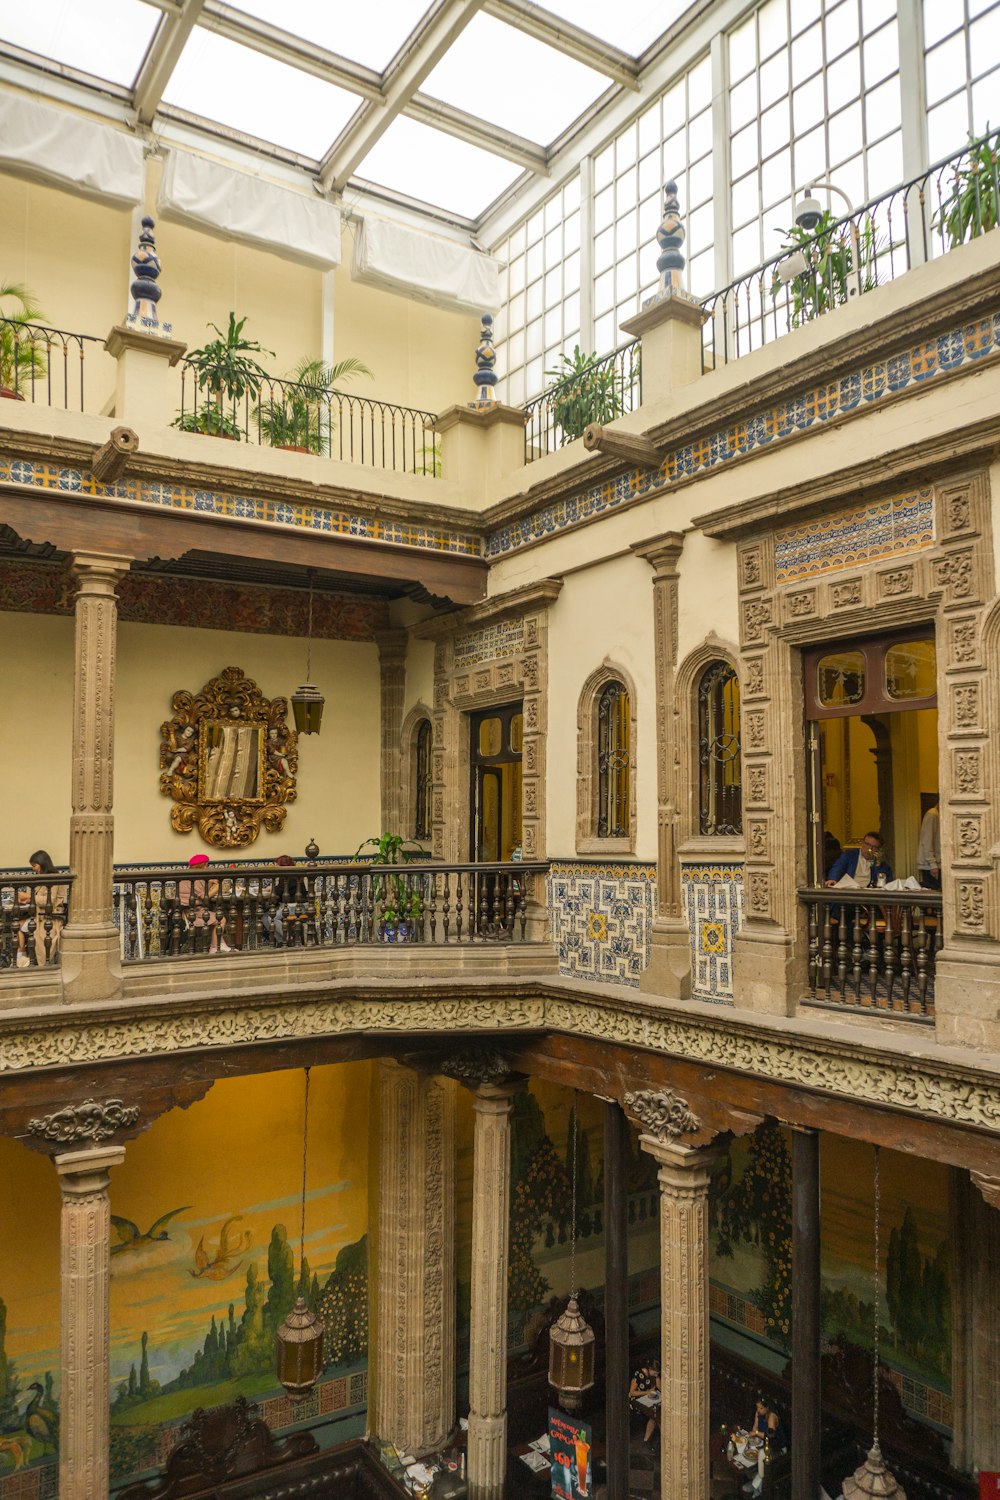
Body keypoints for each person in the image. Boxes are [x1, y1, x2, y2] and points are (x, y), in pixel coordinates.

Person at [17, 850, 67, 969]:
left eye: (35, 866)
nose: (33, 869)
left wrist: (28, 896)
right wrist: (25, 900)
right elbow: (36, 897)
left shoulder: (54, 879)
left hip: (49, 919)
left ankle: (26, 961)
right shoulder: (41, 878)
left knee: (24, 927)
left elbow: (49, 901)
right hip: (39, 916)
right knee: (18, 924)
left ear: (42, 863)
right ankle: (21, 958)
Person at [728, 1396, 785, 1495]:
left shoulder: (772, 1417)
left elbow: (770, 1436)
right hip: (763, 1443)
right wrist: (751, 1435)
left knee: (762, 1455)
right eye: (757, 1408)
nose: (759, 1410)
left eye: (761, 1408)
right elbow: (755, 1428)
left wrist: (757, 1433)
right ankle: (756, 1479)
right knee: (747, 1449)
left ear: (767, 1408)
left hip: (777, 1447)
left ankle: (759, 1486)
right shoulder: (758, 1414)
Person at [177, 853, 231, 955]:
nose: (208, 868)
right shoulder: (195, 878)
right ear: (202, 866)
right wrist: (219, 886)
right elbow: (205, 896)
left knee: (214, 917)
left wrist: (210, 883)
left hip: (184, 911)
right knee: (221, 919)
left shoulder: (187, 876)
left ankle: (220, 943)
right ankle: (214, 947)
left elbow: (199, 891)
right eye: (207, 865)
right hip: (192, 914)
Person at [825, 831, 892, 888]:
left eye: (874, 847)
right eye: (867, 844)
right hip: (850, 893)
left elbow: (884, 884)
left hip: (869, 896)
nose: (870, 848)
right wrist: (832, 879)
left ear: (878, 849)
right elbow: (837, 868)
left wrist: (877, 866)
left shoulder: (882, 866)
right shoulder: (849, 855)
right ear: (862, 843)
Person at [629, 1355, 660, 1445]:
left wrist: (657, 1377)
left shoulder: (653, 1376)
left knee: (656, 1416)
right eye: (655, 1372)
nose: (656, 1374)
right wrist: (647, 1392)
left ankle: (646, 1439)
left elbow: (659, 1388)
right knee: (655, 1416)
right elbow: (632, 1392)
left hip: (648, 1399)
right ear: (650, 1368)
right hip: (636, 1401)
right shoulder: (638, 1374)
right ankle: (648, 1439)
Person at [916, 801, 941, 890]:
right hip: (931, 865)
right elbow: (927, 840)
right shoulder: (932, 815)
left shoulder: (936, 815)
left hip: (933, 863)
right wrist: (932, 863)